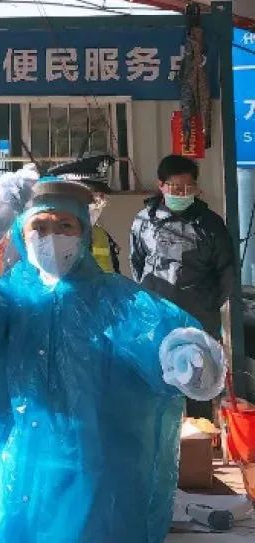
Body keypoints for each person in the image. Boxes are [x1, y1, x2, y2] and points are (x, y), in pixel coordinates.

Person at [0, 171, 226, 543]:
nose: (51, 236)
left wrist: (186, 355)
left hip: (89, 464)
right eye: (39, 226)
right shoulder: (8, 296)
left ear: (83, 232)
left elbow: (164, 334)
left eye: (64, 225)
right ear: (22, 232)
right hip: (17, 459)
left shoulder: (116, 299)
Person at [130, 154, 234, 418]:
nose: (182, 193)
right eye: (175, 187)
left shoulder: (210, 223)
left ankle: (199, 437)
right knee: (158, 385)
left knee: (198, 382)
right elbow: (137, 263)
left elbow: (226, 272)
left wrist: (207, 306)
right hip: (157, 318)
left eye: (188, 188)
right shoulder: (144, 221)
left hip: (198, 320)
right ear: (161, 186)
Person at [48, 153, 120, 273]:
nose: (100, 202)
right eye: (92, 195)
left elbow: (108, 275)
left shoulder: (99, 234)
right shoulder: (49, 234)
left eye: (101, 195)